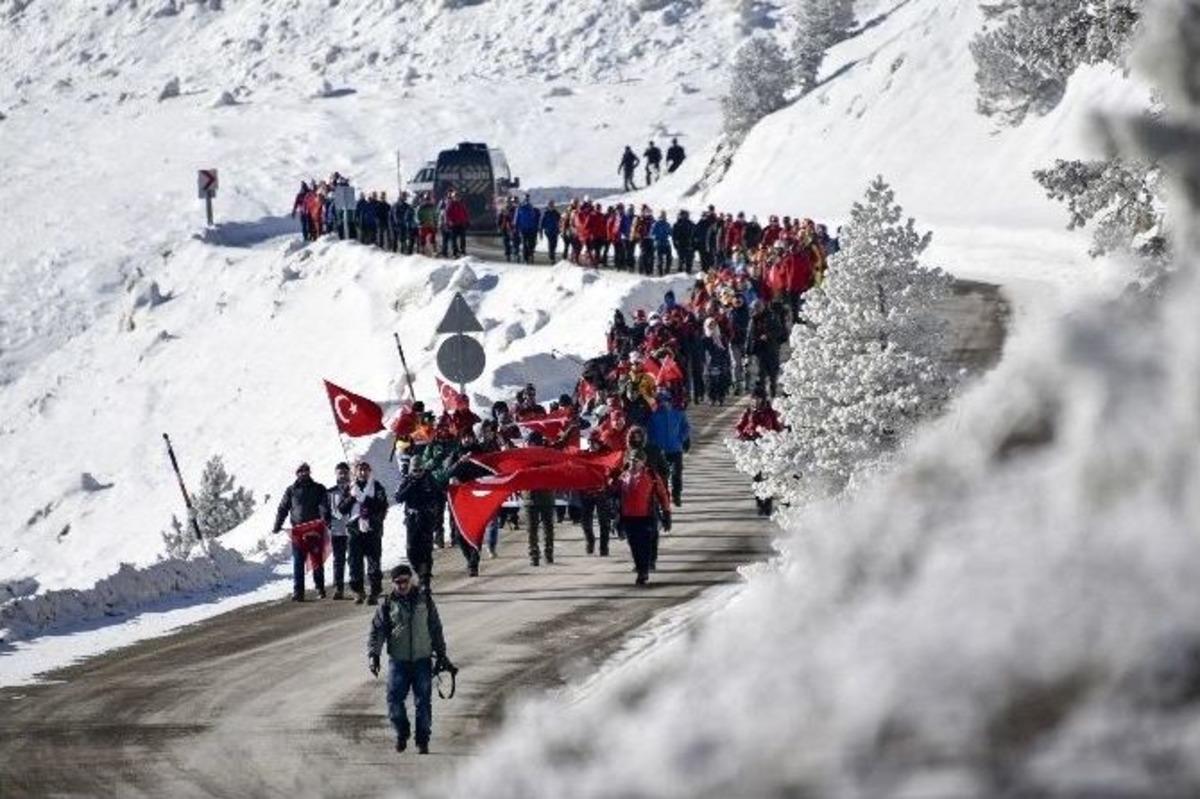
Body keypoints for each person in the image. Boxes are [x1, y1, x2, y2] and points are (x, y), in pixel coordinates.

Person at [368, 564, 449, 755]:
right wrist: (374, 655)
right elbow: (377, 631)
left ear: (411, 580)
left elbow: (435, 628)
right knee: (394, 699)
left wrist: (442, 654)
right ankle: (401, 733)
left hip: (422, 660)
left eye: (405, 581)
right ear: (393, 583)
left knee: (423, 702)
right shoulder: (387, 604)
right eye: (397, 582)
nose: (402, 585)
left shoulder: (425, 600)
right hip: (399, 661)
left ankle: (423, 741)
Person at [272, 462, 331, 601]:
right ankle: (298, 591)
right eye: (301, 471)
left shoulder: (319, 488)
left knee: (317, 560)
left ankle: (320, 588)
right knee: (298, 561)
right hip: (298, 531)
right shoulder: (291, 490)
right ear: (297, 473)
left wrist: (324, 518)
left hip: (315, 529)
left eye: (306, 470)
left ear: (309, 472)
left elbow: (324, 505)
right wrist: (277, 525)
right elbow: (283, 508)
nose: (304, 473)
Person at [338, 460, 389, 605]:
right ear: (355, 472)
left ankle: (375, 590)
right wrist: (352, 498)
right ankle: (358, 591)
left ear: (369, 471)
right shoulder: (350, 488)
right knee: (354, 561)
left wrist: (364, 499)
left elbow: (382, 505)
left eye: (365, 470)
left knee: (373, 559)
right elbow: (341, 509)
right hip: (354, 528)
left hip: (372, 527)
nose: (362, 472)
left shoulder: (376, 486)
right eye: (360, 470)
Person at [616, 450, 670, 586]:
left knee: (644, 545)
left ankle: (643, 572)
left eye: (636, 460)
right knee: (634, 545)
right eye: (631, 460)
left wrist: (666, 513)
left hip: (646, 516)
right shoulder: (623, 476)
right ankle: (640, 567)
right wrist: (617, 518)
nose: (633, 463)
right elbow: (618, 497)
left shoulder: (651, 475)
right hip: (628, 516)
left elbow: (662, 494)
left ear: (643, 462)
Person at [736, 388, 783, 516]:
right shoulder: (749, 412)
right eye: (753, 398)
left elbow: (777, 428)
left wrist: (777, 440)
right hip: (753, 447)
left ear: (763, 399)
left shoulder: (770, 412)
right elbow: (739, 427)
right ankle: (759, 504)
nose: (755, 400)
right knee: (757, 478)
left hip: (768, 447)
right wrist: (743, 436)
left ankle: (767, 504)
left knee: (767, 477)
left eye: (758, 398)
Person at [394, 461, 442, 586]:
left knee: (426, 550)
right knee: (411, 551)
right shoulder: (407, 481)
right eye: (415, 470)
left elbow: (439, 495)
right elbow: (398, 498)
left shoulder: (429, 479)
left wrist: (434, 510)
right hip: (412, 519)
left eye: (420, 470)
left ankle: (425, 579)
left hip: (426, 518)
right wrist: (410, 485)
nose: (418, 473)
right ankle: (419, 572)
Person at [647, 390, 690, 507]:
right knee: (662, 476)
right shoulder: (653, 416)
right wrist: (653, 445)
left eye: (666, 401)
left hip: (675, 449)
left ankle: (676, 495)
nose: (664, 403)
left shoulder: (679, 413)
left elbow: (686, 427)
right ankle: (664, 497)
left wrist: (681, 438)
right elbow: (649, 432)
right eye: (661, 401)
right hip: (660, 451)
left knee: (677, 474)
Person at [523, 433, 555, 566]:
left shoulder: (548, 456)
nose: (532, 445)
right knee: (532, 529)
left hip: (545, 495)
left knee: (548, 527)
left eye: (534, 443)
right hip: (530, 497)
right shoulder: (524, 458)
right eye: (531, 443)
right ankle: (534, 554)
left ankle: (548, 553)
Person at [746, 299, 784, 397]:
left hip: (771, 349)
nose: (757, 310)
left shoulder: (772, 316)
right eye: (755, 308)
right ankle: (762, 395)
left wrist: (768, 336)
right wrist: (748, 350)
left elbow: (779, 331)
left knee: (772, 374)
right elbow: (749, 336)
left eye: (758, 307)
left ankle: (773, 392)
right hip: (759, 350)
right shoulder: (753, 320)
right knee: (760, 374)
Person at [327, 461, 352, 599]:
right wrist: (329, 523)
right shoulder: (330, 492)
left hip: (353, 531)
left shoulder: (354, 489)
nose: (343, 475)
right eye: (340, 473)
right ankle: (338, 588)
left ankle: (357, 586)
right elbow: (327, 511)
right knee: (338, 561)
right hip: (337, 531)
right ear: (336, 474)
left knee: (354, 560)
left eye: (345, 472)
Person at [703, 316, 734, 405]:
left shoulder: (721, 337)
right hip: (709, 362)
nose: (712, 327)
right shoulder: (704, 338)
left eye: (713, 325)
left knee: (721, 380)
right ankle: (711, 398)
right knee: (710, 381)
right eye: (710, 325)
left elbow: (725, 350)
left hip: (721, 361)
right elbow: (702, 351)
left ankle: (721, 397)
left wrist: (727, 360)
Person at [514, 195, 540, 264]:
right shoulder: (519, 209)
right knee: (525, 244)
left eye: (527, 199)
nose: (527, 200)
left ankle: (530, 254)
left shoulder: (532, 209)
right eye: (526, 199)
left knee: (531, 244)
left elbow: (535, 219)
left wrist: (536, 227)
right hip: (523, 229)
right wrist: (516, 228)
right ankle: (526, 258)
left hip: (531, 229)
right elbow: (516, 219)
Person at [445, 190, 469, 257]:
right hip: (454, 225)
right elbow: (447, 215)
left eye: (458, 196)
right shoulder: (450, 205)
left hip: (461, 224)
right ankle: (455, 252)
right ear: (453, 197)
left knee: (462, 238)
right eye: (455, 196)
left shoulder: (462, 205)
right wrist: (449, 222)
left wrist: (466, 221)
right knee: (454, 239)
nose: (457, 198)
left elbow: (465, 213)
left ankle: (463, 250)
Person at [671, 210, 695, 274]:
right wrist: (675, 245)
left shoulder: (691, 224)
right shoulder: (677, 224)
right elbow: (674, 236)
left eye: (686, 214)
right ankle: (681, 274)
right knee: (681, 261)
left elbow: (694, 234)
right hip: (681, 245)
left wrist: (694, 245)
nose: (685, 216)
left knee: (688, 261)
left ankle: (687, 273)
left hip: (689, 245)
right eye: (683, 215)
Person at [651, 211, 673, 275]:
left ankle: (667, 271)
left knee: (669, 258)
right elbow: (652, 233)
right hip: (659, 243)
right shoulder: (656, 224)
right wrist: (656, 238)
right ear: (660, 216)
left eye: (664, 216)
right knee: (660, 259)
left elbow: (671, 233)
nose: (663, 217)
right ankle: (660, 273)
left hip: (666, 243)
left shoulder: (667, 224)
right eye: (662, 216)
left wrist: (671, 232)